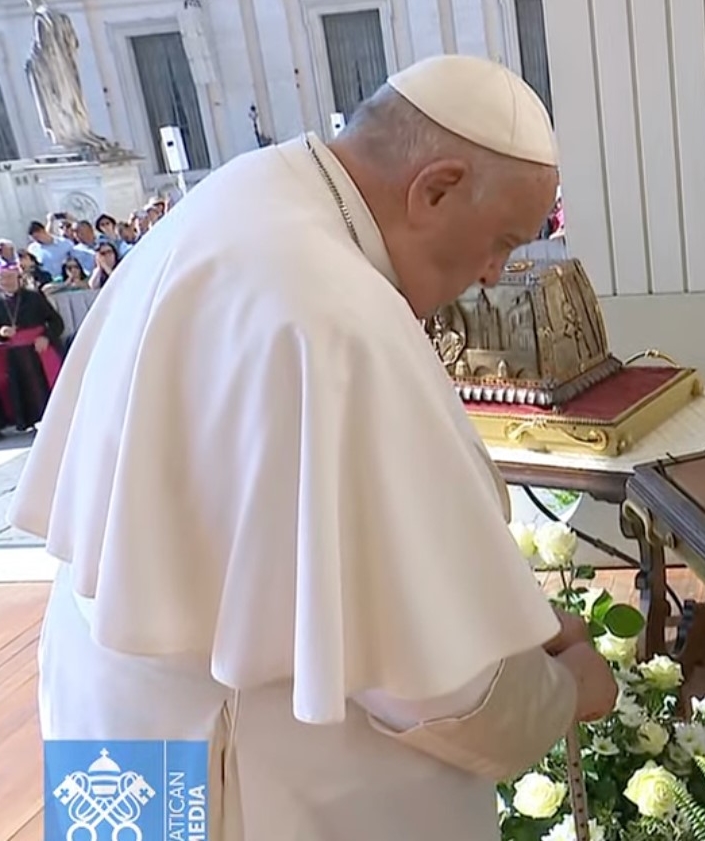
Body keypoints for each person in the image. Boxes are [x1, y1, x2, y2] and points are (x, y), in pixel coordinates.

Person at [12, 55, 617, 840]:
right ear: (436, 185)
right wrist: (565, 690)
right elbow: (441, 685)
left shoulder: (244, 194)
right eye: (501, 240)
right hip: (247, 763)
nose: (495, 272)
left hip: (116, 710)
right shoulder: (338, 319)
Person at [0, 265, 64, 432]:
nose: (5, 282)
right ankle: (31, 423)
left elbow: (57, 322)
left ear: (18, 278)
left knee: (43, 386)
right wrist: (2, 331)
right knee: (23, 390)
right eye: (2, 278)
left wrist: (46, 337)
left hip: (39, 351)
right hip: (16, 356)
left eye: (9, 277)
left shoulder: (34, 297)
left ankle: (54, 420)